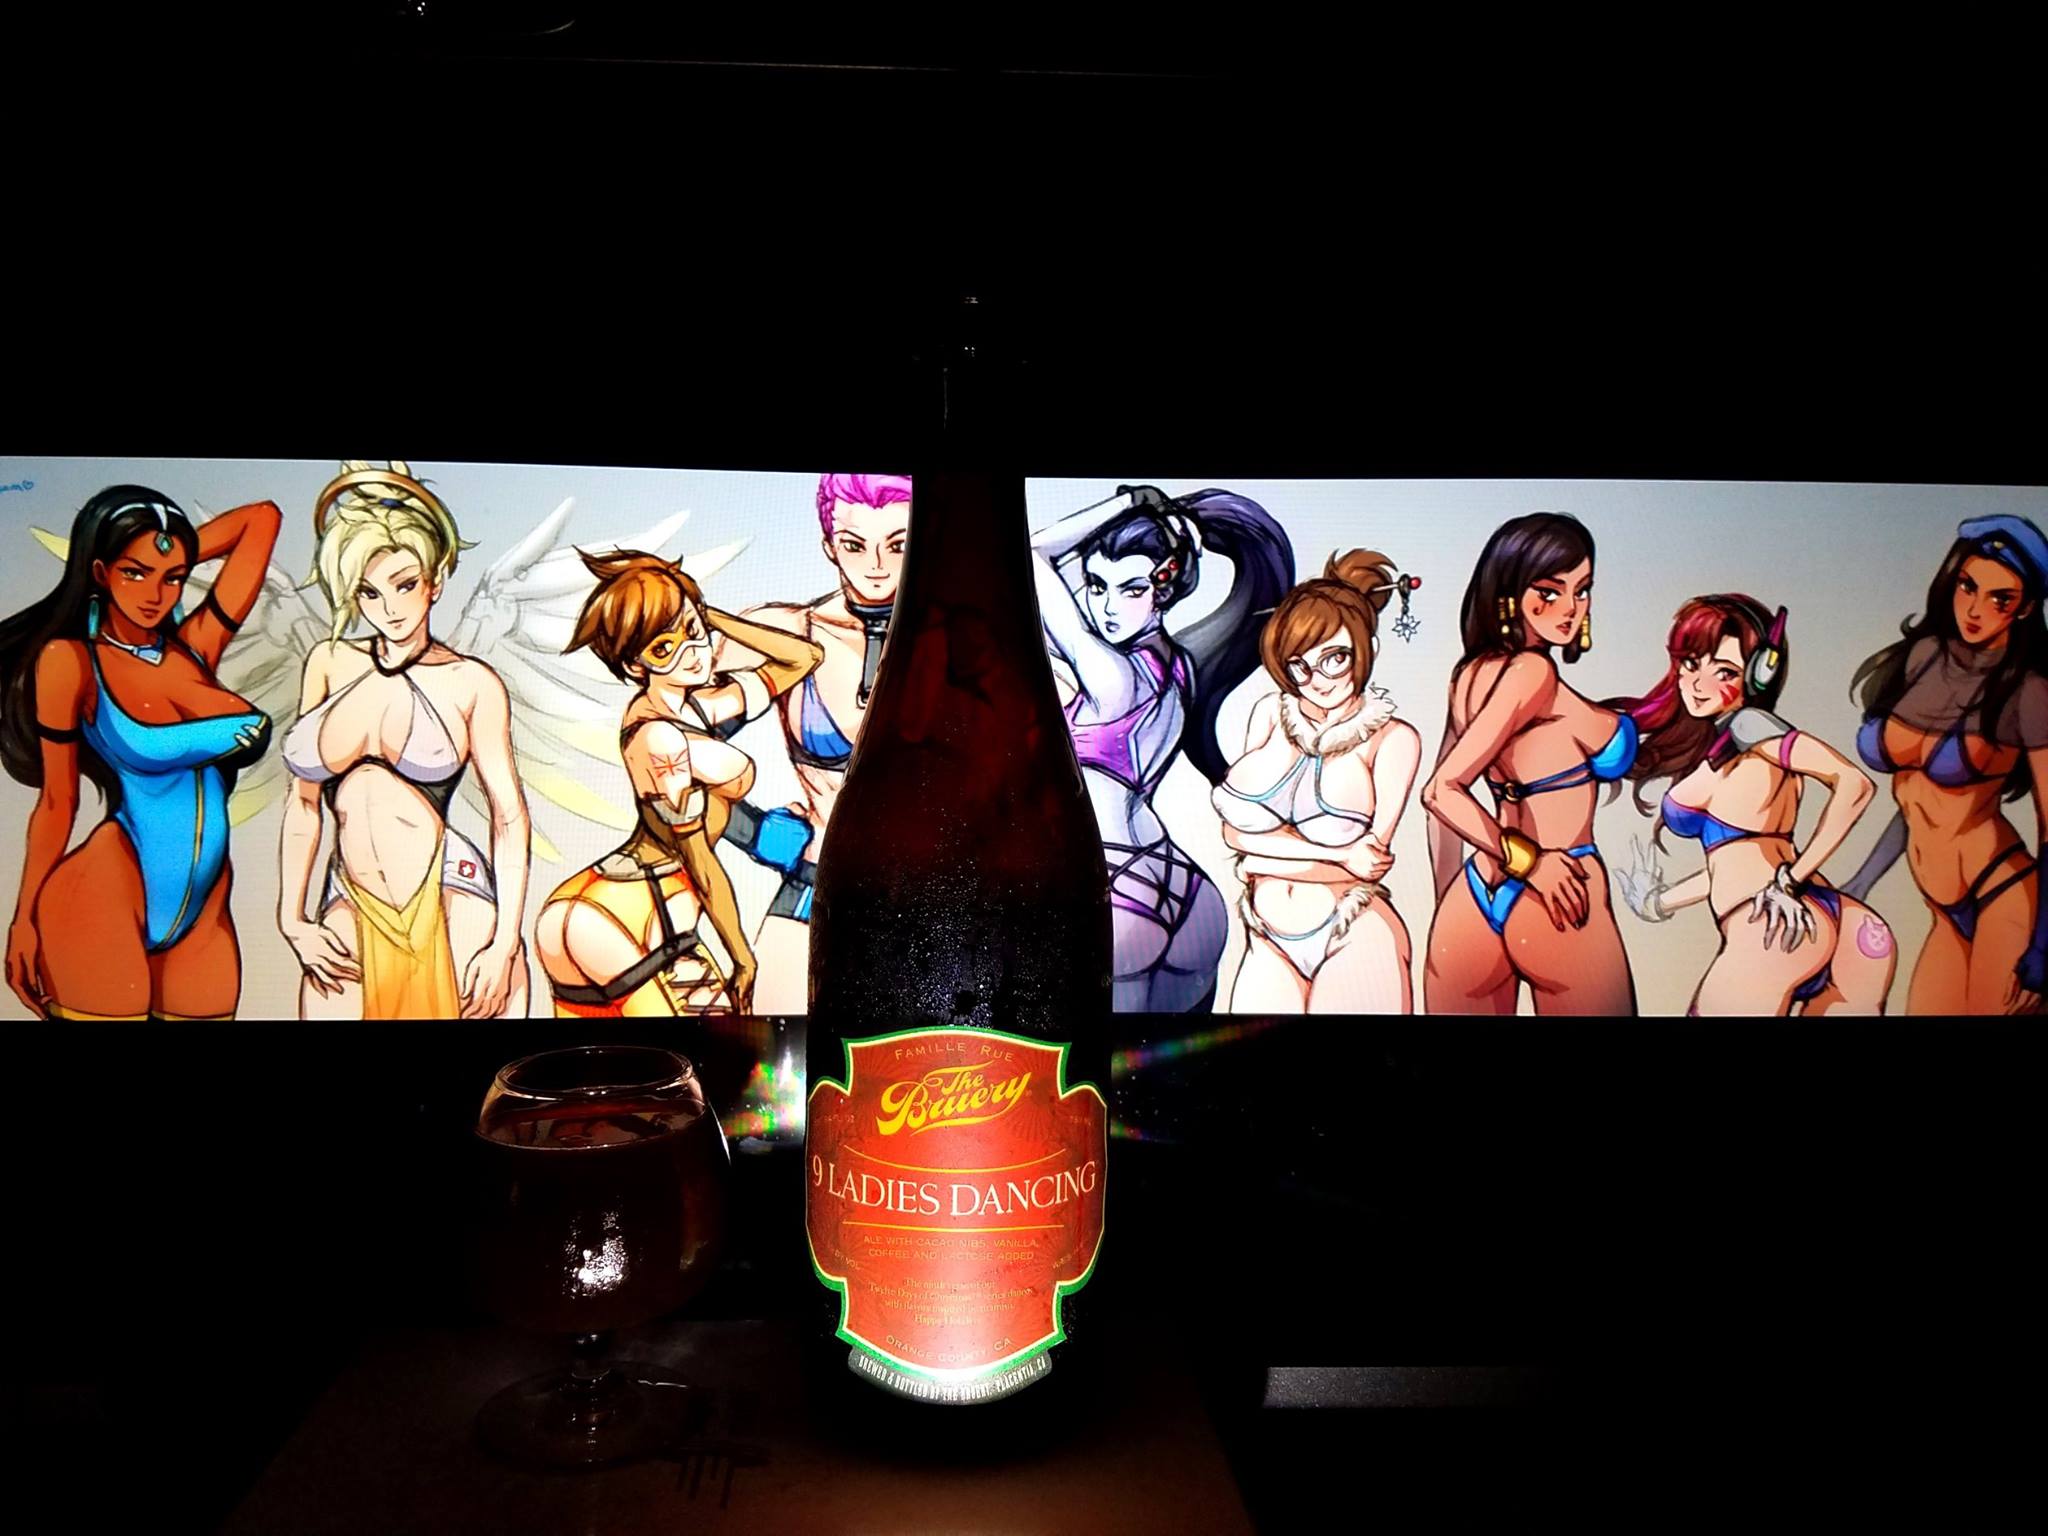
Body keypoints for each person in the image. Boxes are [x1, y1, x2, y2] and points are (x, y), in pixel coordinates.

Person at [4, 487, 280, 1020]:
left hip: (205, 909)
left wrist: (166, 549)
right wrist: (23, 920)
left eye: (172, 578)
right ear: (101, 571)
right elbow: (58, 802)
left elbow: (262, 520)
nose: (156, 594)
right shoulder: (70, 661)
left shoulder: (197, 647)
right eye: (135, 573)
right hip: (106, 889)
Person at [279, 462, 534, 1019]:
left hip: (449, 886)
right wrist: (291, 920)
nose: (388, 608)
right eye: (368, 592)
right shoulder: (328, 662)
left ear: (435, 581)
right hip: (350, 894)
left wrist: (505, 942)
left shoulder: (472, 682)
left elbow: (509, 816)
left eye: (405, 584)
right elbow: (303, 804)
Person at [1033, 484, 1295, 1011]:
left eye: (1130, 589)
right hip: (1187, 896)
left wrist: (1129, 502)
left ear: (1165, 589)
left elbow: (1030, 555)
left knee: (1117, 1063)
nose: (1107, 608)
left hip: (1119, 896)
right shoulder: (1184, 670)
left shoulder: (1110, 676)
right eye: (1096, 586)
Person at [536, 549, 824, 1016]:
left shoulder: (701, 707)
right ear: (636, 665)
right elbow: (699, 861)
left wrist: (710, 616)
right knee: (714, 1050)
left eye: (691, 632)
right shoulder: (658, 738)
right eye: (662, 648)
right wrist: (741, 955)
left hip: (640, 902)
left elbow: (803, 658)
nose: (690, 652)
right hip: (631, 908)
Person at [1612, 594, 1894, 1014]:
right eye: (1691, 663)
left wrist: (1790, 880)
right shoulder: (1732, 747)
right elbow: (1732, 866)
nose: (1698, 684)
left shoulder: (1751, 726)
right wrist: (1658, 901)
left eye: (1724, 671)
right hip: (1850, 927)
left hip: (1770, 930)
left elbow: (1855, 784)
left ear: (1761, 675)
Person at [712, 472, 911, 1014]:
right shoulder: (785, 632)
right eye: (855, 544)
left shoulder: (965, 645)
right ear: (829, 546)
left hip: (943, 900)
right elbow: (668, 748)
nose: (876, 565)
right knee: (770, 1047)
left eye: (898, 545)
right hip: (818, 879)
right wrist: (757, 834)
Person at [1422, 512, 1636, 1014]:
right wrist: (1533, 864)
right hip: (1560, 888)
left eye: (1582, 590)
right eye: (1549, 591)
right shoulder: (1533, 672)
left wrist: (1446, 902)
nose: (1571, 608)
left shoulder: (1468, 674)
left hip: (1474, 897)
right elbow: (1441, 790)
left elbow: (1441, 822)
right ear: (1509, 592)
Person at [1841, 514, 2048, 1014]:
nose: (1974, 610)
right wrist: (1863, 880)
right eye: (1968, 586)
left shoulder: (2029, 692)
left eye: (2000, 599)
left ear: (2025, 609)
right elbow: (1916, 799)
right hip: (1943, 912)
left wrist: (2044, 947)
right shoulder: (1924, 658)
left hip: (2003, 892)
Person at [1215, 551, 1422, 1012]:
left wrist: (1265, 854)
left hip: (1354, 933)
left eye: (1335, 659)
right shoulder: (1270, 713)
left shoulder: (1393, 739)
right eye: (1299, 665)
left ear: (1367, 650)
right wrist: (1335, 855)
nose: (1317, 681)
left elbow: (1368, 863)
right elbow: (1233, 834)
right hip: (1265, 938)